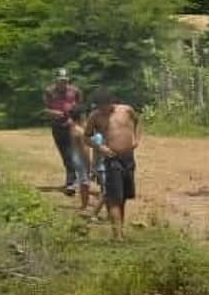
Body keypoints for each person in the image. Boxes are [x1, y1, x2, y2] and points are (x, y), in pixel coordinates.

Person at [85, 91, 140, 239]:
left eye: (105, 106)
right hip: (112, 159)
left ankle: (120, 230)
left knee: (123, 196)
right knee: (114, 197)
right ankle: (117, 235)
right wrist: (101, 148)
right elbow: (86, 137)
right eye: (100, 106)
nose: (103, 109)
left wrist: (136, 139)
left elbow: (137, 122)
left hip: (128, 157)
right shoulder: (95, 116)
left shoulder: (126, 110)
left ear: (111, 102)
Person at [42, 67, 82, 195]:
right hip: (57, 126)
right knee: (65, 154)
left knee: (72, 153)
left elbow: (80, 107)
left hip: (72, 125)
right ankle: (74, 179)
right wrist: (53, 112)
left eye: (65, 80)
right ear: (55, 80)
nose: (62, 83)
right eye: (60, 81)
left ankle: (72, 182)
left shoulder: (75, 91)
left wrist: (75, 120)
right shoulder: (49, 92)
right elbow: (45, 110)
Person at [65, 105, 93, 212]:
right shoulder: (80, 131)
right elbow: (84, 149)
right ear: (81, 115)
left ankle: (85, 203)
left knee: (82, 180)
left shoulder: (74, 128)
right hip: (81, 158)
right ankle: (84, 205)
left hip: (75, 156)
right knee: (85, 181)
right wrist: (89, 163)